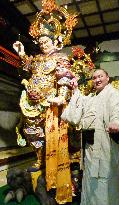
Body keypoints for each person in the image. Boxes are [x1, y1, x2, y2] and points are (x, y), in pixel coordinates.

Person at [13, 0, 78, 204]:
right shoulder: (38, 59)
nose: (43, 45)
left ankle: (49, 170)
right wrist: (22, 53)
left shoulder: (60, 58)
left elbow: (65, 78)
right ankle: (39, 159)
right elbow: (28, 65)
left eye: (46, 42)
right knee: (32, 133)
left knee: (48, 135)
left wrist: (61, 97)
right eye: (40, 42)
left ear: (55, 41)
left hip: (49, 106)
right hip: (31, 104)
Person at [61, 68, 119, 205]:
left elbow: (118, 111)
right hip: (90, 148)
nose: (97, 80)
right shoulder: (92, 97)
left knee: (105, 182)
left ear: (107, 78)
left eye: (100, 76)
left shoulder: (113, 94)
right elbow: (75, 113)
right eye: (94, 78)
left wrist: (116, 122)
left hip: (105, 148)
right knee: (90, 181)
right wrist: (75, 90)